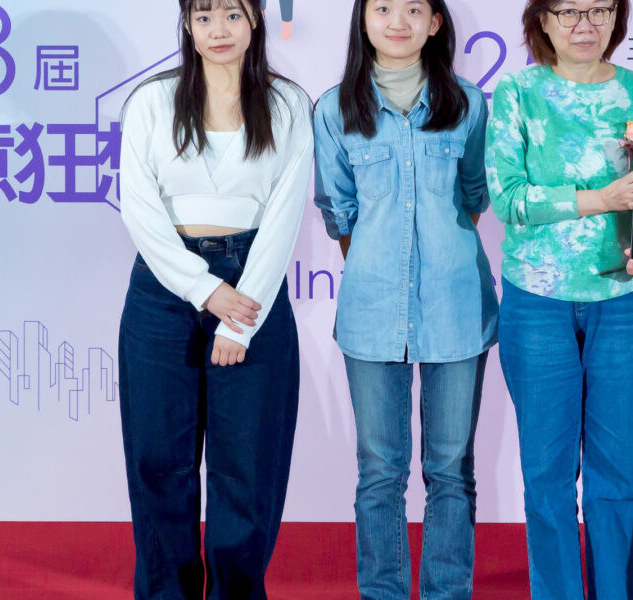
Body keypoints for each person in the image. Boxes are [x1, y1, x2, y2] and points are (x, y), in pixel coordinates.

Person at [116, 0, 312, 597]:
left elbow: (285, 215)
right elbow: (140, 208)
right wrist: (204, 289)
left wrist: (238, 317)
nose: (217, 30)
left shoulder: (287, 103)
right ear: (186, 25)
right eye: (203, 17)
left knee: (247, 467)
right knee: (159, 462)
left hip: (254, 283)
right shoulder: (152, 100)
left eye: (231, 14)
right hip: (162, 289)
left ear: (256, 20)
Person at [312, 0, 496, 598]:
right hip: (371, 312)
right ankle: (383, 591)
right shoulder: (335, 108)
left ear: (435, 22)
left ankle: (447, 591)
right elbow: (338, 209)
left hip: (456, 308)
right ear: (364, 20)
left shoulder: (467, 104)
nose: (398, 21)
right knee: (379, 472)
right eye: (383, 7)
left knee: (451, 471)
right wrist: (380, 265)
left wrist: (437, 254)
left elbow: (474, 194)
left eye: (414, 8)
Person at [485, 0, 633, 597]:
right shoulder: (517, 92)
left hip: (625, 297)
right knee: (547, 474)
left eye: (598, 10)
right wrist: (600, 200)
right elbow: (509, 198)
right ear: (542, 20)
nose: (584, 25)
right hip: (537, 299)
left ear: (617, 16)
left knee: (619, 472)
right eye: (567, 11)